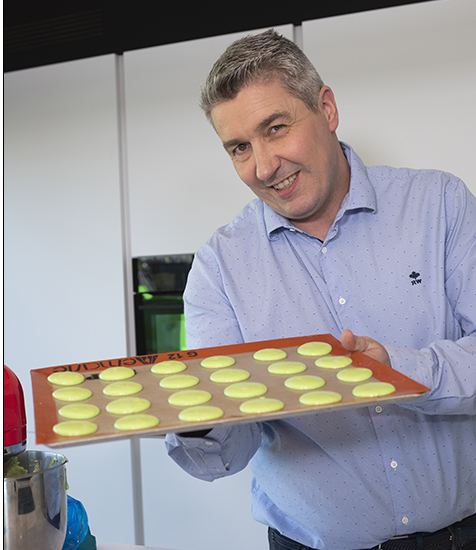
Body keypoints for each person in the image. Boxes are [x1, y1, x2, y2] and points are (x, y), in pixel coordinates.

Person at [165, 29, 476, 550]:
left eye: (276, 128)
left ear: (326, 108)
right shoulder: (219, 268)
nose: (264, 167)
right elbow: (225, 453)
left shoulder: (438, 204)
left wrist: (401, 372)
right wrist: (194, 418)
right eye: (239, 148)